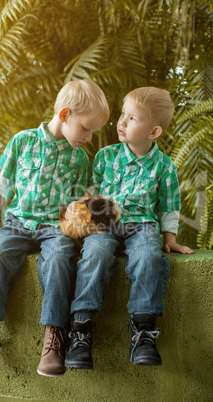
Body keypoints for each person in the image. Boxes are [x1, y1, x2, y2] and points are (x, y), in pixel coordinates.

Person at [0, 78, 113, 377]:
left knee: (60, 261)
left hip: (54, 227)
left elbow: (77, 199)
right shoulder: (23, 140)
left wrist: (84, 218)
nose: (89, 137)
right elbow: (4, 179)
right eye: (86, 128)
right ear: (64, 115)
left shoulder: (78, 157)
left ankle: (54, 338)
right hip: (18, 221)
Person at [64, 87, 193, 368]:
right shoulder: (106, 156)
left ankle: (144, 332)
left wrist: (169, 238)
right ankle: (81, 330)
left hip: (143, 226)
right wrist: (80, 209)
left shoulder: (164, 166)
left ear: (154, 132)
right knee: (96, 253)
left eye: (132, 118)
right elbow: (91, 195)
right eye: (122, 114)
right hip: (105, 224)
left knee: (149, 257)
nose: (121, 122)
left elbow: (168, 206)